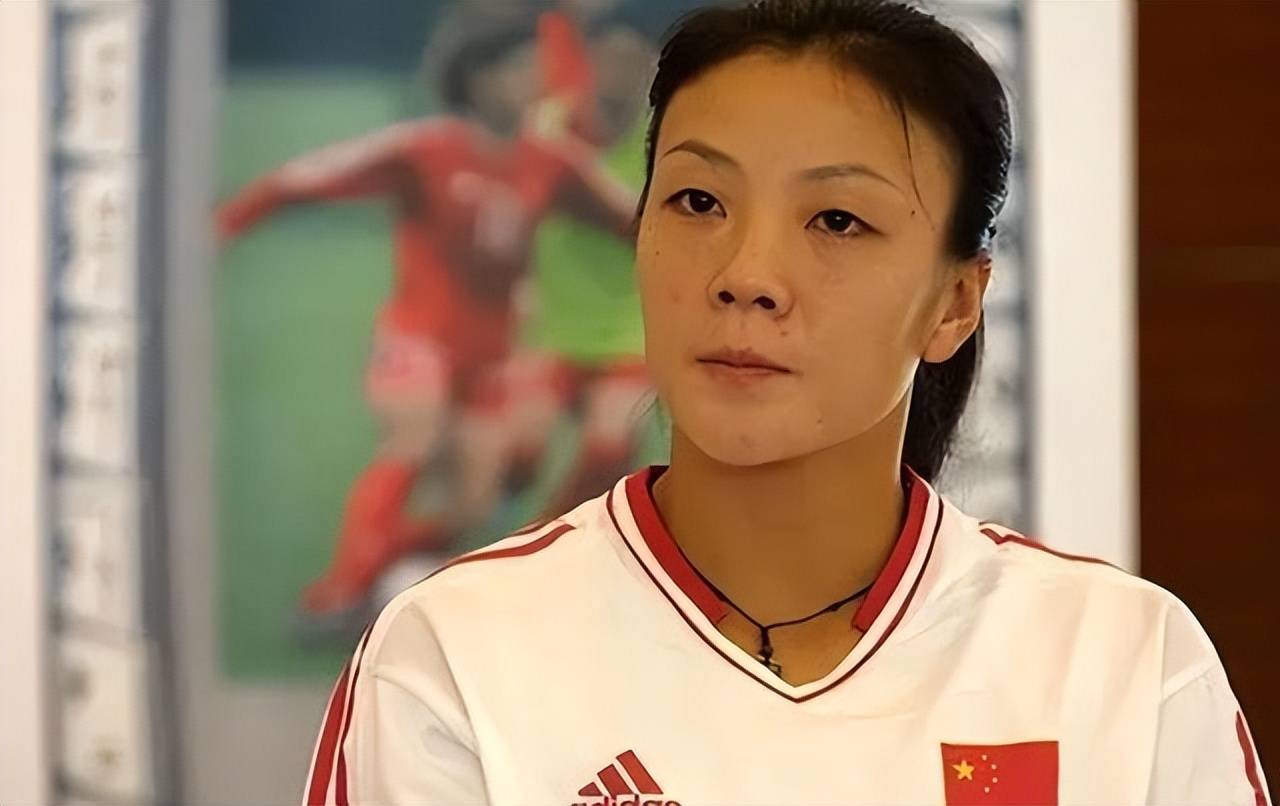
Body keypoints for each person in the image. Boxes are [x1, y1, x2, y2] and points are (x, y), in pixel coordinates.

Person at [302, 1, 1272, 804]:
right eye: (696, 202)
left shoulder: (1121, 661)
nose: (746, 274)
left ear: (954, 302)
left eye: (836, 219)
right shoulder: (454, 655)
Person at [218, 9, 636, 626]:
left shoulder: (552, 162)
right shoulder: (423, 150)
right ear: (481, 79)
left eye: (538, 68)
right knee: (413, 434)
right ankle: (335, 596)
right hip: (418, 340)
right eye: (521, 69)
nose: (536, 81)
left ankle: (385, 580)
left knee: (471, 507)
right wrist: (222, 226)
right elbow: (300, 181)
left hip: (491, 359)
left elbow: (632, 221)